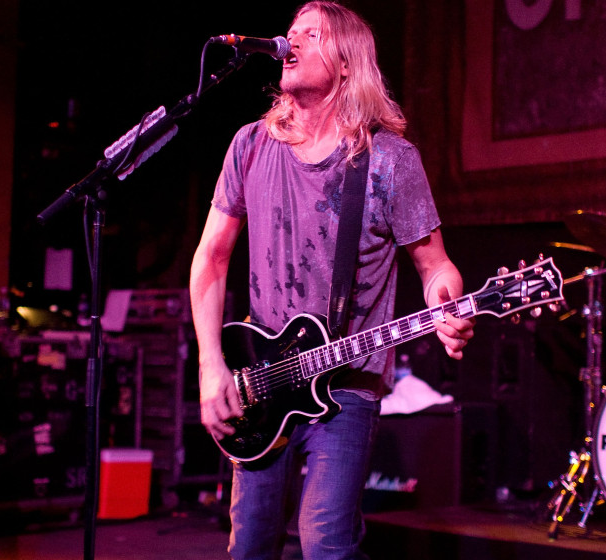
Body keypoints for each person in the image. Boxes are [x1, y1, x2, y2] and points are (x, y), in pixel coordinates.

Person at [188, 3, 474, 558]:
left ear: (346, 63)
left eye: (309, 34)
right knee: (248, 548)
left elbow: (435, 265)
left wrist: (446, 299)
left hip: (345, 386)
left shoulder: (388, 159)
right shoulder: (250, 145)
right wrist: (210, 367)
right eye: (289, 32)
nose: (288, 42)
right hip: (261, 382)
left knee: (325, 545)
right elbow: (211, 260)